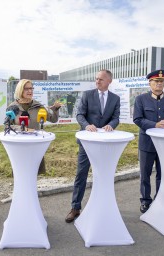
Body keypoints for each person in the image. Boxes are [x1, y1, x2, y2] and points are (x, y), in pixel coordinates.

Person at [65, 69, 120, 223]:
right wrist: (87, 125)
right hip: (87, 143)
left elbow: (116, 118)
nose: (97, 81)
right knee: (81, 174)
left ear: (109, 81)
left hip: (105, 144)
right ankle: (75, 208)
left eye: (101, 79)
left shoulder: (115, 98)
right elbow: (79, 115)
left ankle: (103, 207)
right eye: (96, 79)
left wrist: (111, 125)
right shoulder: (87, 95)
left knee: (103, 174)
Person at [133, 69, 164, 213]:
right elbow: (137, 119)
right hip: (147, 144)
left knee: (162, 174)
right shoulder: (140, 99)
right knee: (145, 174)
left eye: (162, 81)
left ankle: (160, 199)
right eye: (156, 81)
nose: (159, 84)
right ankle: (145, 201)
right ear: (150, 83)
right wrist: (154, 125)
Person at [7, 79, 62, 174]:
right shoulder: (12, 107)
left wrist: (56, 109)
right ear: (20, 90)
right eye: (26, 89)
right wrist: (23, 129)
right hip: (19, 146)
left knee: (34, 173)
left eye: (31, 88)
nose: (30, 91)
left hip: (35, 146)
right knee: (20, 173)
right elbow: (8, 126)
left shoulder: (38, 106)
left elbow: (53, 119)